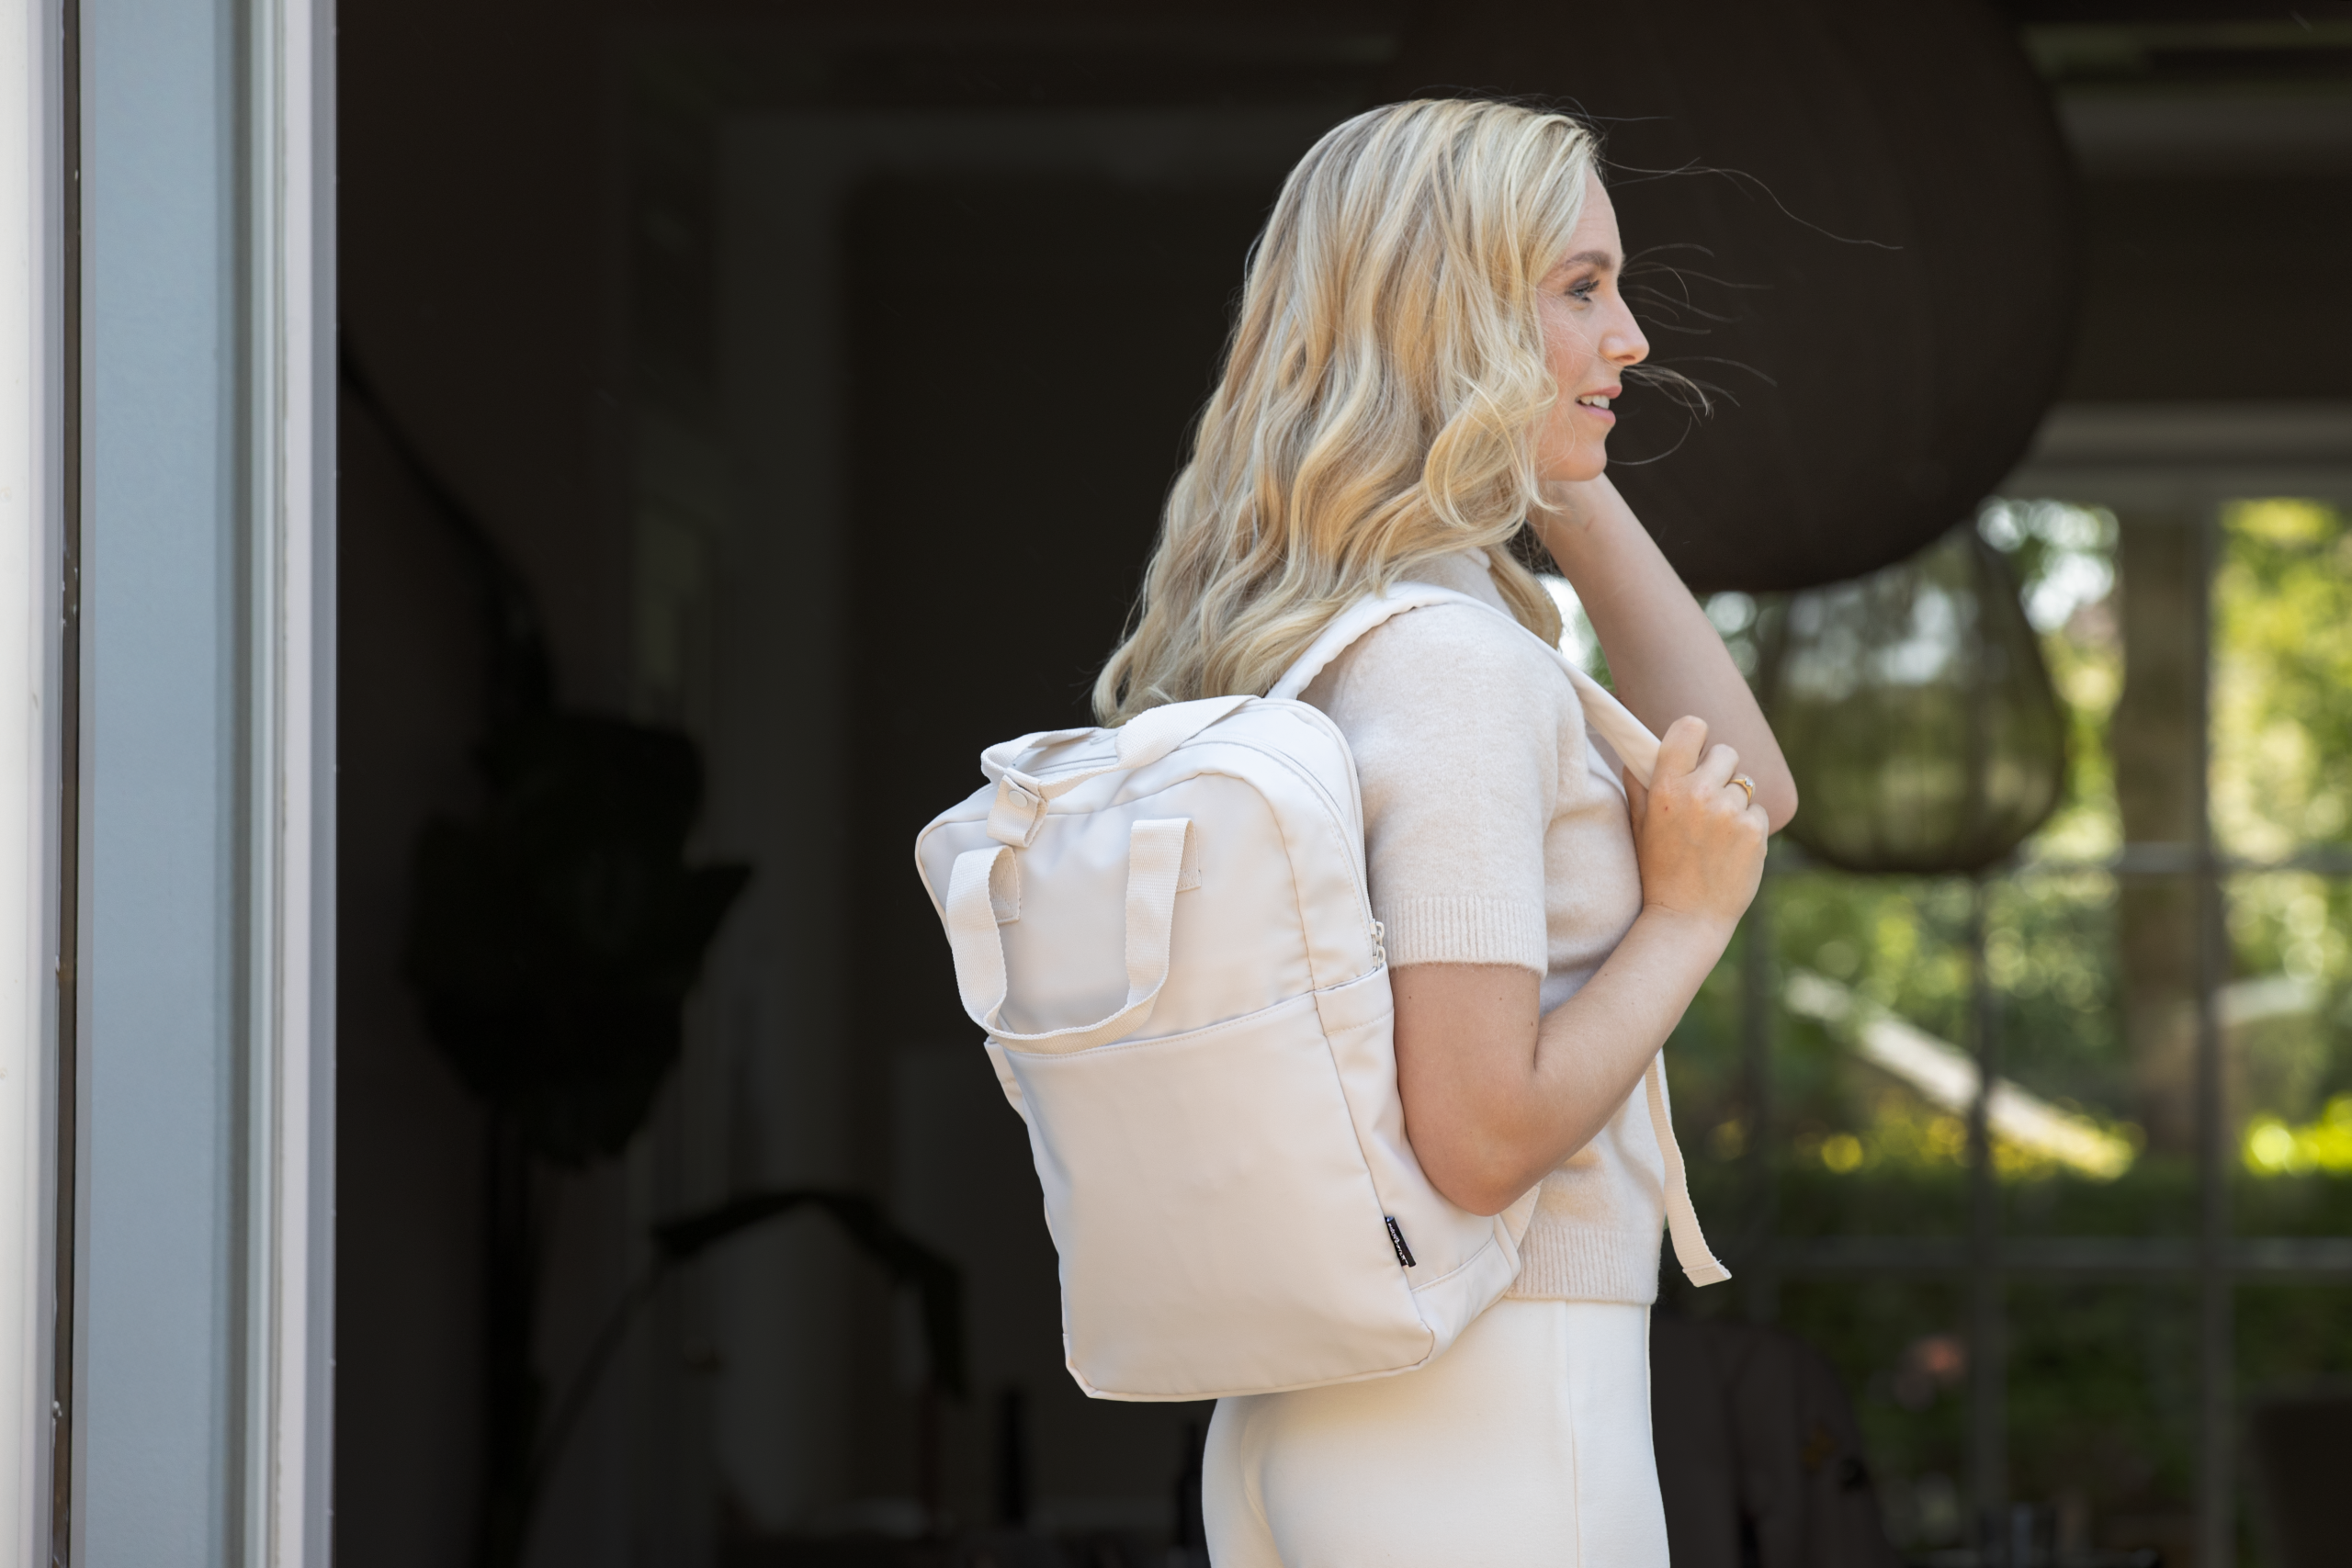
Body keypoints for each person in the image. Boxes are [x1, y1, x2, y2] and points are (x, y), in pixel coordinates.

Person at [1091, 99, 1799, 1567]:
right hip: (1493, 1401)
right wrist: (1682, 921)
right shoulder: (1456, 666)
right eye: (1582, 289)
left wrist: (1563, 481)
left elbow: (1746, 786)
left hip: (1312, 1414)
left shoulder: (1322, 638)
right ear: (1455, 317)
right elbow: (1479, 1138)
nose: (1634, 341)